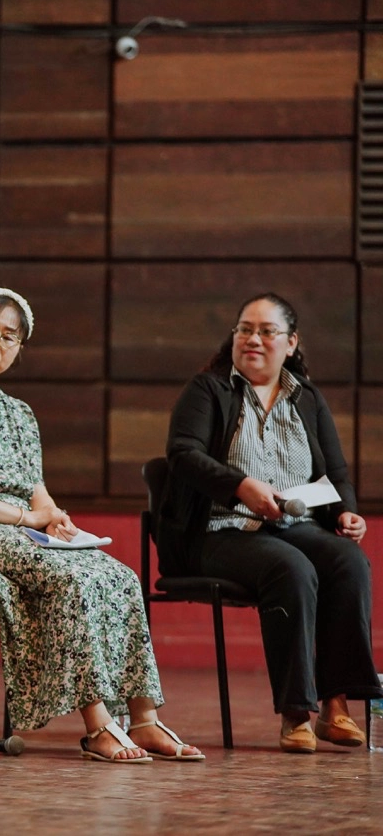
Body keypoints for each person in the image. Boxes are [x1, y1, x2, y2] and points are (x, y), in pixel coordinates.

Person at [0, 287, 203, 764]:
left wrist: (57, 519)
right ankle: (98, 727)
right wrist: (28, 518)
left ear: (18, 350)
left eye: (9, 336)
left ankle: (144, 720)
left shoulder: (21, 414)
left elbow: (36, 490)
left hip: (18, 527)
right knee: (68, 579)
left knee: (119, 576)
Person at [161, 292, 382, 754]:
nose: (253, 339)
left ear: (291, 342)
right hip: (219, 529)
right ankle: (297, 712)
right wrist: (242, 486)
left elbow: (335, 471)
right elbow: (183, 456)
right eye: (245, 329)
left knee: (347, 561)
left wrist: (346, 512)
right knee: (291, 568)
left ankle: (336, 704)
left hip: (291, 524)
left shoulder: (307, 397)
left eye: (266, 331)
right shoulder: (208, 389)